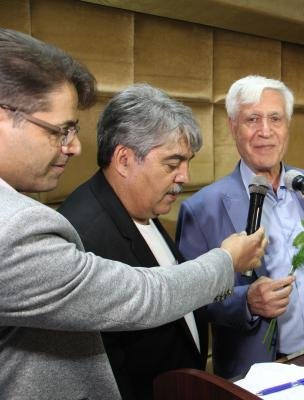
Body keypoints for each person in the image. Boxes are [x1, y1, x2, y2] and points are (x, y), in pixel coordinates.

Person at [0, 28, 266, 400]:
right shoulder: (61, 229)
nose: (73, 147)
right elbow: (145, 298)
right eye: (61, 131)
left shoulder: (144, 206)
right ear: (125, 160)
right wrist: (228, 260)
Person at [177, 75, 304, 378]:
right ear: (233, 126)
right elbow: (189, 303)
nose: (265, 131)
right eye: (252, 119)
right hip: (261, 372)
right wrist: (246, 302)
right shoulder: (202, 209)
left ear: (288, 125)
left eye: (275, 118)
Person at [58, 84, 210, 400]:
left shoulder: (143, 204)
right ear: (125, 160)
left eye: (187, 163)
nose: (185, 177)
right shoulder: (82, 235)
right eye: (172, 164)